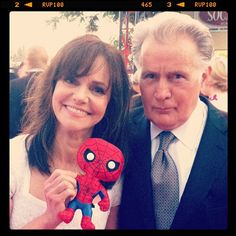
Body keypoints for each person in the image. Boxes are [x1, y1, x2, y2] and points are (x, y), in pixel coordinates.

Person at [119, 12, 227, 229]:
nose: (161, 93)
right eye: (150, 76)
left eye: (176, 76)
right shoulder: (118, 132)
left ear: (204, 78)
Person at [10, 34, 131, 229]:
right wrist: (50, 217)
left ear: (111, 102)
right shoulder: (14, 157)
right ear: (53, 84)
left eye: (98, 89)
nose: (81, 96)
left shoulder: (112, 171)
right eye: (71, 81)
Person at [10, 46, 49, 138]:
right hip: (46, 141)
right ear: (46, 61)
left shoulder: (13, 85)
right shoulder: (53, 84)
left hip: (17, 141)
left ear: (27, 61)